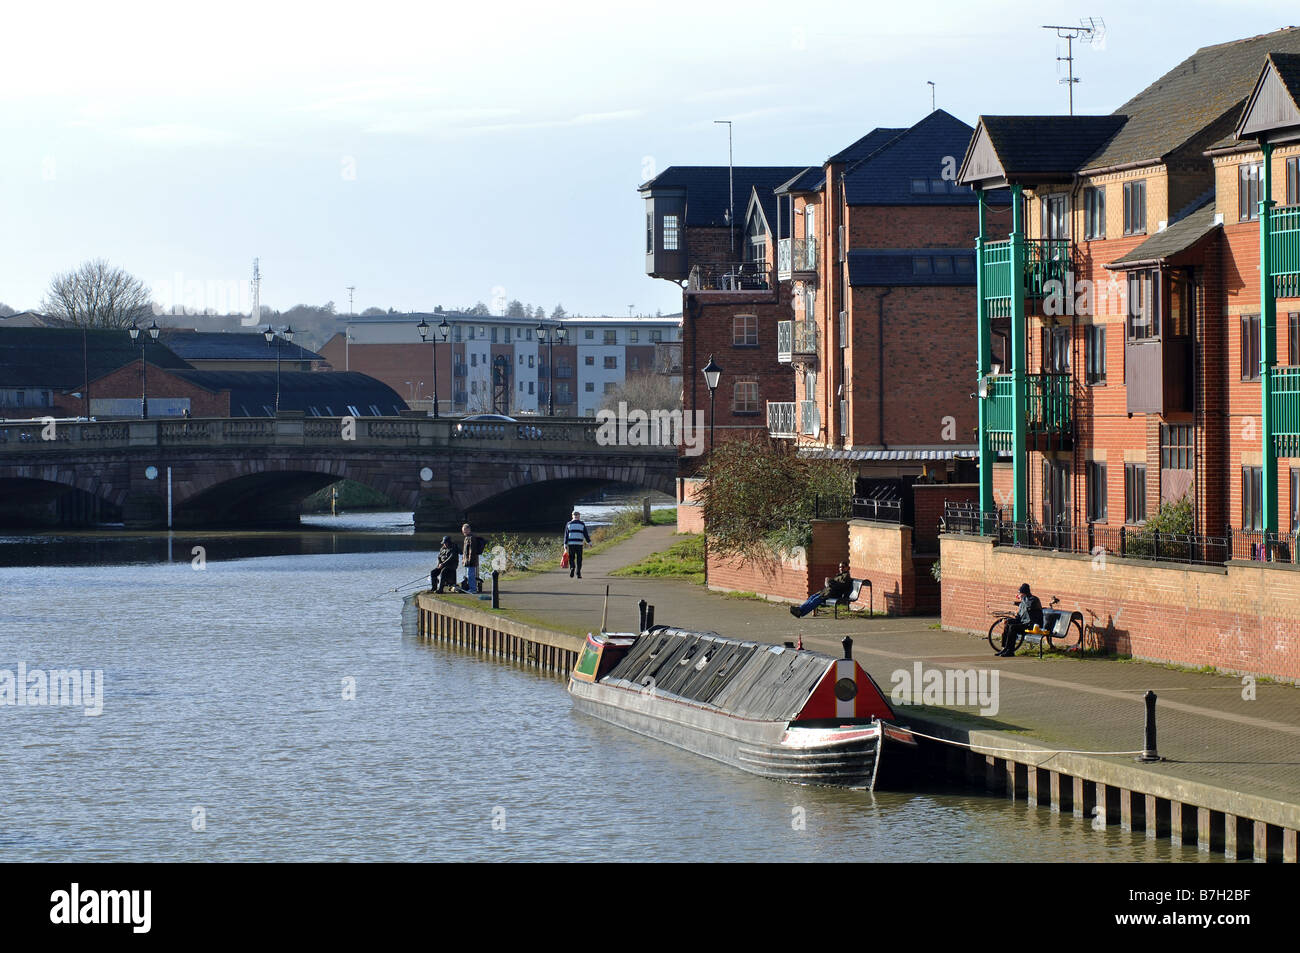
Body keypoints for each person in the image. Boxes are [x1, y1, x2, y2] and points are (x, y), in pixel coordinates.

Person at [998, 582, 1043, 657]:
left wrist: (1023, 599)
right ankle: (1005, 648)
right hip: (1023, 622)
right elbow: (1019, 616)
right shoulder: (1023, 601)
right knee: (1008, 623)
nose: (1019, 595)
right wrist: (1011, 619)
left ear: (1025, 593)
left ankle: (1010, 651)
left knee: (1013, 628)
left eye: (1020, 593)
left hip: (1031, 624)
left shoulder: (1034, 600)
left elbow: (1029, 606)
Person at [564, 511, 591, 579]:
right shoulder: (582, 524)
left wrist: (565, 544)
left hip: (571, 544)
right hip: (579, 544)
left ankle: (572, 567)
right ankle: (578, 573)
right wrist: (589, 542)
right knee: (579, 558)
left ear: (572, 516)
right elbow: (585, 534)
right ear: (579, 516)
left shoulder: (568, 524)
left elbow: (566, 535)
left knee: (571, 558)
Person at [461, 523, 486, 593]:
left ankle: (473, 589)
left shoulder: (471, 538)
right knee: (469, 575)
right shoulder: (467, 538)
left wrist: (469, 560)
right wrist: (464, 560)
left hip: (471, 560)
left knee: (471, 575)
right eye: (463, 531)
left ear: (468, 530)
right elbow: (465, 551)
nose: (464, 532)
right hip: (468, 560)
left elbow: (472, 550)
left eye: (465, 531)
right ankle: (472, 588)